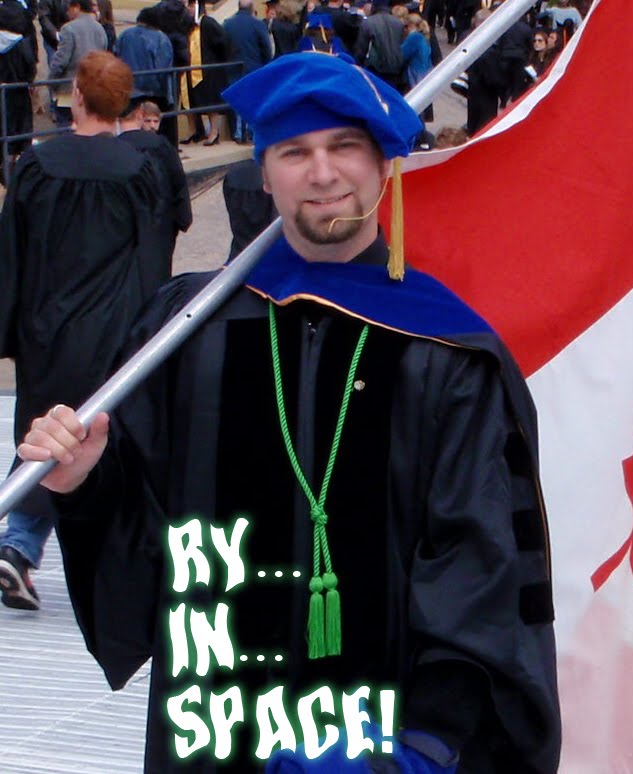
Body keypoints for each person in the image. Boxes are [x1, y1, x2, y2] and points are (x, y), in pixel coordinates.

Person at [15, 51, 560, 772]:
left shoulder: (447, 349)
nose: (323, 173)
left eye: (344, 147)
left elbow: (480, 562)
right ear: (264, 173)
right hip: (216, 729)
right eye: (295, 151)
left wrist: (426, 743)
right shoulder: (190, 329)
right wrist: (86, 482)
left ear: (384, 164)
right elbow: (148, 547)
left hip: (381, 741)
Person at [0, 51, 161, 611]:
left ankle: (19, 544)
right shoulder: (139, 168)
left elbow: (12, 253)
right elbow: (151, 255)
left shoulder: (36, 165)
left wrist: (10, 327)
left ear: (79, 98)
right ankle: (78, 556)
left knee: (47, 434)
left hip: (47, 327)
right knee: (107, 440)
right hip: (116, 328)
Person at [119, 96, 192, 273]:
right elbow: (178, 180)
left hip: (126, 226)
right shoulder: (161, 145)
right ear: (139, 115)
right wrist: (183, 217)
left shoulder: (115, 147)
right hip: (161, 223)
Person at [115, 6, 176, 147]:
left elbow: (116, 58)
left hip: (130, 90)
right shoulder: (160, 38)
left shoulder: (124, 35)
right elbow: (164, 67)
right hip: (154, 91)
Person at [48, 0, 107, 127]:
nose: (67, 13)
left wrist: (51, 82)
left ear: (77, 7)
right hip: (92, 89)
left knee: (65, 128)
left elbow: (61, 61)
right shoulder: (100, 28)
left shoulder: (68, 28)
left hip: (69, 90)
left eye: (68, 9)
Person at [180, 0, 230, 146]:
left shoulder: (208, 23)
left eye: (191, 5)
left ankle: (214, 132)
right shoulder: (186, 24)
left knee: (209, 102)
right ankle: (193, 131)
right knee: (189, 102)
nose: (188, 8)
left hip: (208, 70)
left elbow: (223, 43)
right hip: (190, 69)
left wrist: (215, 60)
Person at [223, 0, 272, 143]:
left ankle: (238, 132)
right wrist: (266, 65)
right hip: (254, 67)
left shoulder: (227, 24)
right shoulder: (258, 24)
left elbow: (223, 46)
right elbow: (266, 48)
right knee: (252, 101)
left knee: (236, 100)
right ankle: (249, 132)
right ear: (252, 8)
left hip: (233, 67)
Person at [0, 0, 37, 166]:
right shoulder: (22, 42)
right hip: (18, 87)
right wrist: (30, 80)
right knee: (19, 124)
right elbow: (30, 63)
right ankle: (16, 158)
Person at [355, 0, 404, 90]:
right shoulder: (398, 23)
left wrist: (358, 65)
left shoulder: (368, 23)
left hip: (376, 69)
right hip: (396, 69)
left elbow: (361, 50)